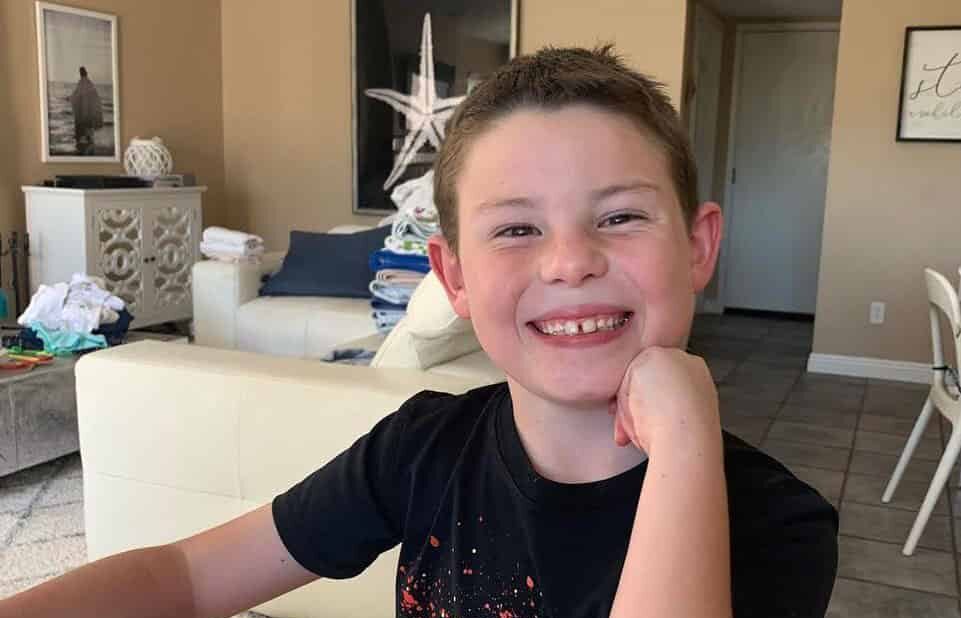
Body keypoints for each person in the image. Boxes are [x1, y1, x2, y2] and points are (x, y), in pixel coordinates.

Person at [2, 46, 838, 617]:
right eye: (516, 229)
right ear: (455, 277)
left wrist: (688, 447)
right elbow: (185, 577)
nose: (569, 262)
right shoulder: (421, 449)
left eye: (618, 216)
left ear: (697, 245)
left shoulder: (771, 521)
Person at [67, 66, 103, 155]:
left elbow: (76, 95)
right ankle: (89, 147)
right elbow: (96, 98)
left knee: (82, 133)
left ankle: (83, 149)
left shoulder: (82, 83)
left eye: (80, 73)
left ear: (81, 73)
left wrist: (70, 98)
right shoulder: (90, 83)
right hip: (89, 114)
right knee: (88, 133)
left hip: (83, 114)